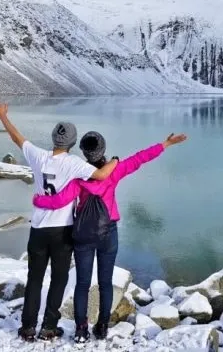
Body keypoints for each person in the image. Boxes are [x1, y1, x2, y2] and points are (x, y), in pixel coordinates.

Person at [33, 130, 188, 343]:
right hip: (108, 232)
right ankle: (102, 325)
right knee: (105, 282)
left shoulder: (79, 175)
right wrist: (166, 144)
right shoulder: (114, 171)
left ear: (85, 153)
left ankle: (80, 329)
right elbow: (140, 158)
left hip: (83, 235)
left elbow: (60, 201)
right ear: (103, 150)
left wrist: (38, 201)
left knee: (82, 283)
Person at [0, 100, 118, 342]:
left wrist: (2, 116)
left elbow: (17, 138)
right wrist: (116, 161)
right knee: (59, 278)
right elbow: (101, 174)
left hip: (38, 229)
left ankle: (27, 327)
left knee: (34, 278)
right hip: (62, 230)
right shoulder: (74, 163)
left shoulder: (37, 156)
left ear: (53, 138)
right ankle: (49, 327)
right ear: (71, 142)